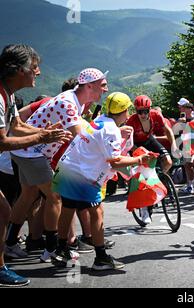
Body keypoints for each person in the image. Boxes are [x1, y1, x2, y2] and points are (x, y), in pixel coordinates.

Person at [7, 68, 108, 263]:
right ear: (89, 86)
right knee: (56, 195)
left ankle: (10, 242)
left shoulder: (73, 99)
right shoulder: (69, 103)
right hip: (32, 152)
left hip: (27, 150)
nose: (105, 90)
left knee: (28, 195)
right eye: (102, 85)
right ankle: (52, 248)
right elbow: (82, 136)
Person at [52, 92, 153, 270]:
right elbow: (115, 161)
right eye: (127, 110)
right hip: (83, 174)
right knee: (97, 212)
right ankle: (101, 258)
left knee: (68, 208)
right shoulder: (111, 129)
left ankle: (60, 249)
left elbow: (98, 140)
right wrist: (140, 160)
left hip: (67, 166)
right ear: (122, 111)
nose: (129, 115)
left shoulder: (99, 120)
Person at [0, 44, 69, 287]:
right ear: (19, 69)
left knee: (5, 211)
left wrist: (43, 132)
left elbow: (17, 125)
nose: (38, 72)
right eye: (35, 67)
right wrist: (42, 137)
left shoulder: (7, 93)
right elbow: (2, 141)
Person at [125, 95, 175, 223]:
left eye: (145, 111)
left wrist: (173, 144)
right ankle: (144, 207)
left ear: (150, 109)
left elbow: (168, 130)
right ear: (136, 111)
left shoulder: (156, 115)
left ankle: (158, 181)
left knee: (168, 161)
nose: (142, 114)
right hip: (135, 144)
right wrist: (140, 154)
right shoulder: (132, 121)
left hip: (149, 140)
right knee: (143, 174)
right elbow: (128, 142)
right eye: (139, 111)